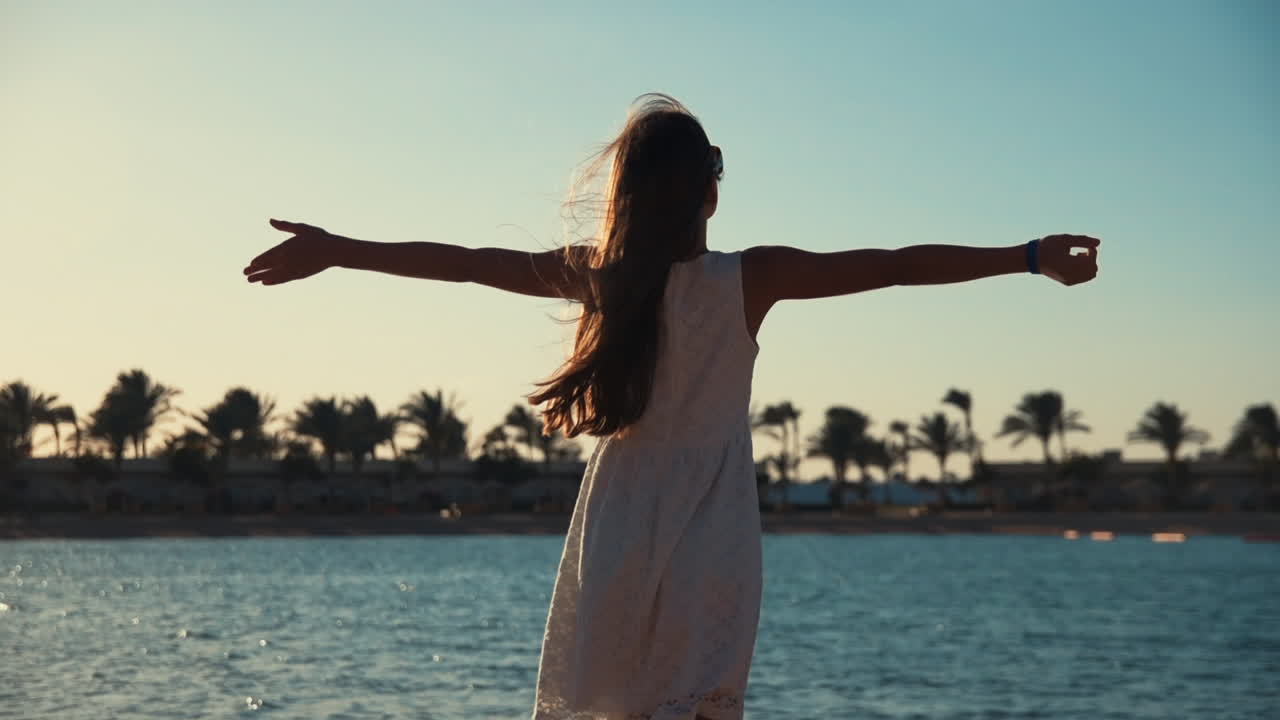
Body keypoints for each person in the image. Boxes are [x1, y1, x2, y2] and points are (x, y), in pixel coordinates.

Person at [243, 93, 1100, 720]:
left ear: (625, 193)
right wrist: (1027, 255)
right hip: (711, 526)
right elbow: (891, 262)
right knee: (699, 705)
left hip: (618, 520)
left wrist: (339, 250)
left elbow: (465, 260)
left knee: (608, 704)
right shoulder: (749, 279)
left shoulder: (601, 277)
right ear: (710, 195)